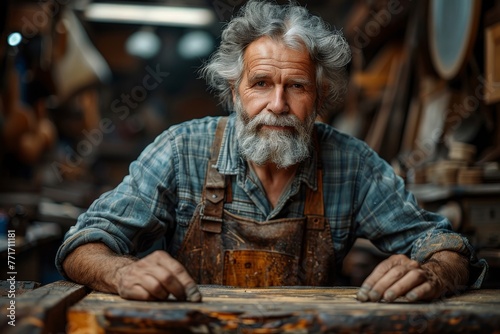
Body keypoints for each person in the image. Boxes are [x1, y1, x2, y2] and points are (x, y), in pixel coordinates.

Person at [56, 0, 487, 303]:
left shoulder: (350, 164)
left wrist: (433, 272)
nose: (277, 105)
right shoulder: (180, 150)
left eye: (296, 87)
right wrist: (123, 270)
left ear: (319, 98)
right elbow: (82, 244)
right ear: (234, 90)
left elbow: (445, 244)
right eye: (261, 83)